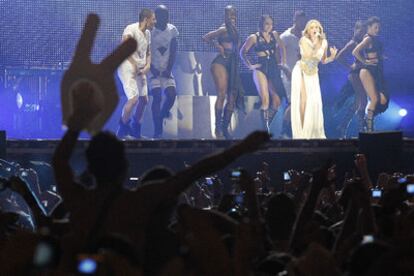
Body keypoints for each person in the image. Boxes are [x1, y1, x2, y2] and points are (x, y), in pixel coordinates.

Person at [290, 20, 337, 139]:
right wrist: (316, 43)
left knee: (314, 102)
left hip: (313, 74)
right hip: (301, 71)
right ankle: (300, 134)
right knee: (303, 101)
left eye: (317, 27)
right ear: (308, 30)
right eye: (312, 28)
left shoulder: (324, 42)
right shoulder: (304, 41)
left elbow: (323, 60)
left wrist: (332, 57)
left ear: (320, 30)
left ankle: (312, 132)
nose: (315, 29)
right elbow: (309, 55)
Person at [203, 5, 244, 139]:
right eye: (229, 15)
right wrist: (218, 46)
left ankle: (225, 128)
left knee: (232, 96)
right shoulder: (223, 28)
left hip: (232, 63)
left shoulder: (236, 31)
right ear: (225, 16)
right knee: (222, 93)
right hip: (221, 60)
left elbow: (238, 49)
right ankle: (217, 128)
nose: (231, 17)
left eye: (233, 15)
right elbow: (206, 37)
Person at [240, 15, 287, 133]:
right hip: (260, 68)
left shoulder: (274, 34)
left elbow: (282, 47)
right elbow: (242, 52)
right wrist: (250, 66)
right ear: (261, 24)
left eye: (271, 24)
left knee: (276, 101)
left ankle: (265, 126)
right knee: (265, 99)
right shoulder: (254, 37)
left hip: (272, 67)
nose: (269, 26)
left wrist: (283, 62)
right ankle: (265, 131)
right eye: (267, 23)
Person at [117, 9, 156, 139]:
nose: (154, 22)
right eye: (153, 19)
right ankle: (122, 129)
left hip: (140, 69)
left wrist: (148, 65)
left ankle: (135, 129)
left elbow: (148, 52)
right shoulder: (131, 29)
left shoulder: (148, 33)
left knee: (144, 99)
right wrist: (134, 64)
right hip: (127, 67)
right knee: (133, 99)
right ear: (146, 19)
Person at [352, 16, 389, 132]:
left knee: (383, 99)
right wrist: (365, 61)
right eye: (375, 27)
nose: (378, 30)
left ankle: (366, 119)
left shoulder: (375, 39)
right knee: (374, 99)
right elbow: (355, 52)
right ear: (369, 27)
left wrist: (382, 57)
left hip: (377, 71)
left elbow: (375, 53)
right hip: (368, 71)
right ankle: (369, 129)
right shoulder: (368, 39)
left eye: (379, 27)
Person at [149, 5, 179, 138]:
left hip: (166, 71)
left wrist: (169, 69)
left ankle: (162, 115)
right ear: (156, 17)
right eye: (163, 16)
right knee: (157, 97)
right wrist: (150, 68)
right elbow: (145, 51)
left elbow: (173, 51)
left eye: (167, 15)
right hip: (153, 70)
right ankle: (157, 130)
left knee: (171, 95)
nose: (166, 18)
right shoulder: (150, 31)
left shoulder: (172, 30)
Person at [334, 20, 367, 137]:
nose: (362, 32)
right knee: (363, 99)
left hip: (362, 74)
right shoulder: (353, 43)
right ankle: (362, 129)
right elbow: (339, 56)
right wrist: (350, 66)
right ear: (355, 30)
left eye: (364, 30)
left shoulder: (365, 41)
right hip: (355, 74)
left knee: (358, 102)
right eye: (360, 30)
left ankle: (343, 126)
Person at [279, 10, 307, 138]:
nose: (303, 23)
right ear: (295, 20)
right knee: (293, 103)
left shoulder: (304, 37)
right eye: (300, 21)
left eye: (304, 21)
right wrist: (285, 69)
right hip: (288, 74)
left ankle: (291, 130)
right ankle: (284, 130)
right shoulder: (285, 37)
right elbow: (276, 55)